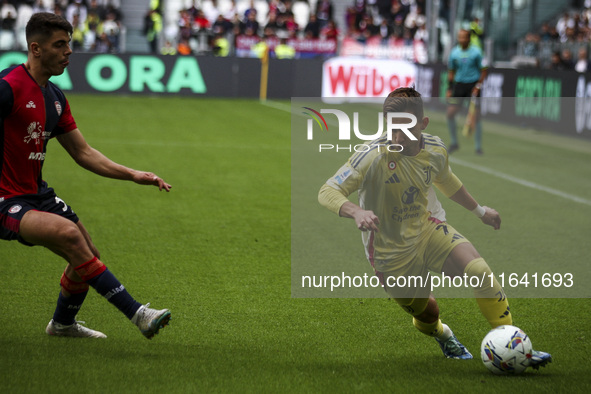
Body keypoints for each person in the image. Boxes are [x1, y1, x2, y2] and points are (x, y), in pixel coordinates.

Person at [318, 87, 551, 368]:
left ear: (423, 123)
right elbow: (328, 190)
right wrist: (356, 211)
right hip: (389, 252)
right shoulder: (371, 156)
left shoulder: (435, 149)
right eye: (392, 127)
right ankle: (444, 335)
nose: (397, 136)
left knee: (479, 271)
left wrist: (480, 211)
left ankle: (516, 346)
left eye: (405, 127)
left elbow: (446, 180)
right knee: (428, 313)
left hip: (427, 230)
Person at [0, 13, 171, 339]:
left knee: (87, 255)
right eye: (60, 45)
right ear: (35, 49)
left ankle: (62, 324)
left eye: (70, 44)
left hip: (36, 193)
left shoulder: (55, 97)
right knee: (69, 236)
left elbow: (83, 153)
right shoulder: (7, 88)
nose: (69, 51)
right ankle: (139, 314)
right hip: (6, 200)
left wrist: (132, 174)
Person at [446, 29, 487, 155]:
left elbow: (484, 70)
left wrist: (478, 86)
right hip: (459, 86)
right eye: (460, 37)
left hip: (473, 85)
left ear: (468, 39)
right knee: (450, 114)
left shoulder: (477, 52)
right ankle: (454, 142)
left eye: (464, 37)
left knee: (477, 116)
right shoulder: (454, 53)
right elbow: (451, 71)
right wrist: (449, 88)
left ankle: (478, 147)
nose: (461, 40)